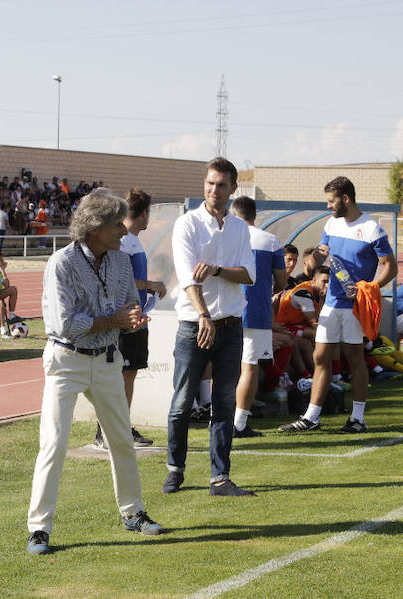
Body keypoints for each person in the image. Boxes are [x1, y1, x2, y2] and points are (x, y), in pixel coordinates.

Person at [26, 188, 164, 555]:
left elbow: (128, 305)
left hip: (106, 360)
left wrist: (132, 319)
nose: (124, 229)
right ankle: (39, 529)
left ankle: (133, 513)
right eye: (117, 223)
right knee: (53, 444)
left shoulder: (120, 260)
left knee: (121, 439)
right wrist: (113, 320)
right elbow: (63, 324)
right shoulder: (62, 263)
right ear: (95, 226)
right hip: (67, 361)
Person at [164, 157, 256, 497]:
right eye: (209, 183)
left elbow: (249, 275)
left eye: (220, 185)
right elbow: (188, 277)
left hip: (231, 326)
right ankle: (175, 469)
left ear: (233, 189)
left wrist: (217, 269)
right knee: (182, 401)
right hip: (194, 325)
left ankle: (220, 478)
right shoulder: (187, 224)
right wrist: (203, 315)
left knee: (224, 403)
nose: (213, 190)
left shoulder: (239, 228)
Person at [278, 176, 397, 434]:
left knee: (355, 359)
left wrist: (369, 288)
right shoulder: (331, 225)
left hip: (354, 307)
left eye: (331, 201)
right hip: (331, 303)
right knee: (320, 356)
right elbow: (320, 258)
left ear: (346, 198)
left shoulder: (371, 228)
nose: (329, 206)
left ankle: (357, 419)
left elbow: (390, 266)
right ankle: (311, 417)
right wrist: (318, 256)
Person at [93, 188, 167, 450]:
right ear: (144, 213)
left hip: (136, 317)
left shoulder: (132, 240)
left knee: (128, 375)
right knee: (118, 376)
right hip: (123, 319)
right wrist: (150, 283)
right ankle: (106, 431)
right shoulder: (122, 241)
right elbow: (117, 280)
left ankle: (121, 426)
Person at [230, 195, 287, 438]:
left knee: (223, 367)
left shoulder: (226, 239)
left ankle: (218, 418)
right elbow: (282, 281)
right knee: (249, 368)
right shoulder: (270, 241)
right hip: (256, 313)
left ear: (234, 214)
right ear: (255, 215)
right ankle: (239, 424)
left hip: (226, 311)